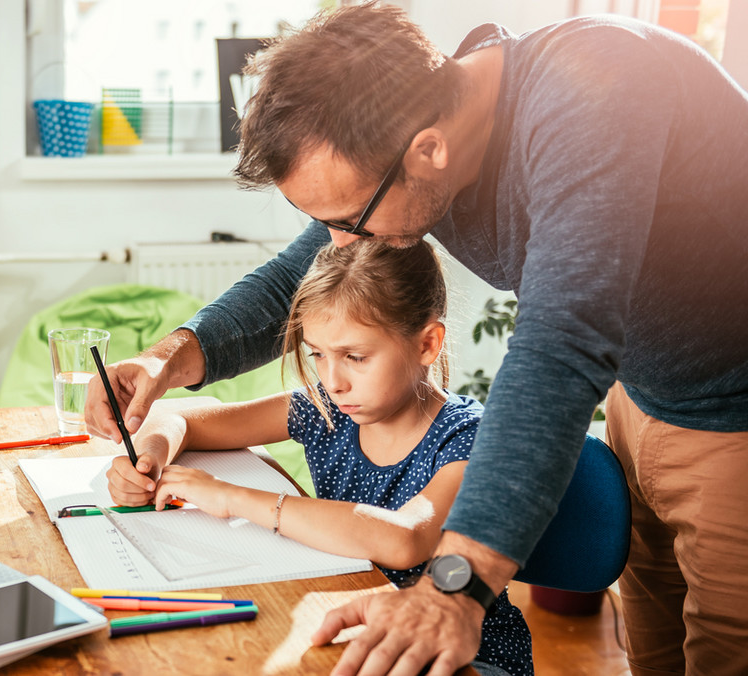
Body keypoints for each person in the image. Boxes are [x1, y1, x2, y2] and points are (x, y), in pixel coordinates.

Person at [86, 4, 748, 676]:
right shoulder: (432, 129)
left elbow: (560, 345)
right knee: (658, 651)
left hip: (736, 411)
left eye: (349, 220)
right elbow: (303, 272)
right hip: (646, 392)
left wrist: (455, 587)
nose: (338, 243)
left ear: (430, 150)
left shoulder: (594, 93)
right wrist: (167, 357)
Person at [108, 240, 532, 675]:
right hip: (353, 626)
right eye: (317, 355)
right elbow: (181, 417)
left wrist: (233, 498)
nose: (332, 380)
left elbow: (404, 540)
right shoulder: (325, 411)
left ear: (427, 344)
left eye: (356, 357)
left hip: (468, 658)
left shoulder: (467, 435)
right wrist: (151, 456)